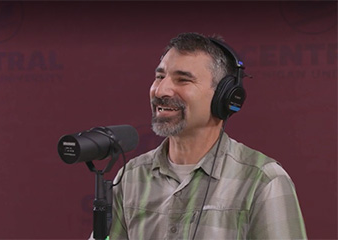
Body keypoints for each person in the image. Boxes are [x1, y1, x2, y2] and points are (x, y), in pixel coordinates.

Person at [90, 32, 307, 239]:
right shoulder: (130, 177)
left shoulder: (263, 180)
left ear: (224, 97)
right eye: (160, 77)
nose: (161, 90)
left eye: (182, 80)